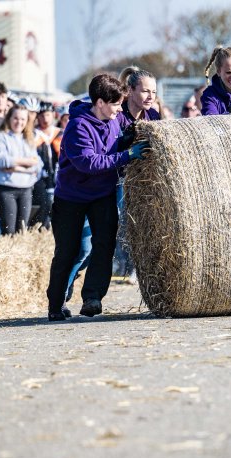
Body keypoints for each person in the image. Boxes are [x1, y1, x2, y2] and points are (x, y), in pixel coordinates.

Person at [45, 74, 148, 321]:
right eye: (115, 105)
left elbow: (112, 145)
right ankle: (56, 304)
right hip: (71, 198)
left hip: (102, 194)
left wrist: (126, 141)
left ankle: (92, 297)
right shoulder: (77, 127)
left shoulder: (113, 121)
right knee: (67, 251)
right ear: (100, 102)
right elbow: (89, 162)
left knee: (104, 245)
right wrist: (126, 155)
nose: (118, 109)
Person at [115, 66, 161, 283]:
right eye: (145, 91)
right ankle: (122, 264)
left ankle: (139, 267)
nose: (150, 96)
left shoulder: (153, 115)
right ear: (130, 91)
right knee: (123, 224)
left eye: (153, 91)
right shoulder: (117, 114)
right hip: (118, 180)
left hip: (144, 180)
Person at [0, 104, 42, 235]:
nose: (19, 122)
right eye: (16, 118)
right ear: (9, 118)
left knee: (22, 232)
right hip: (5, 189)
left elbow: (38, 165)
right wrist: (27, 163)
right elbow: (1, 161)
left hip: (26, 189)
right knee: (9, 232)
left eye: (23, 119)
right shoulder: (0, 137)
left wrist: (14, 167)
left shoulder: (29, 139)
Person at [30, 101, 61, 230]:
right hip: (40, 180)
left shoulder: (61, 133)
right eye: (42, 115)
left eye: (48, 115)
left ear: (53, 115)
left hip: (59, 178)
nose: (45, 119)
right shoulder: (33, 134)